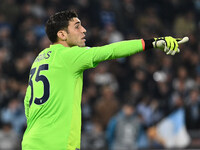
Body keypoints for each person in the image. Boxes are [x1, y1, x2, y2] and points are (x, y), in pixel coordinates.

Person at [21, 10, 189, 150]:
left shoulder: (40, 58)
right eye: (77, 26)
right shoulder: (69, 56)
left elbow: (28, 102)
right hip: (56, 144)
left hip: (31, 142)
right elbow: (111, 50)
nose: (84, 30)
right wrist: (153, 42)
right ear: (62, 34)